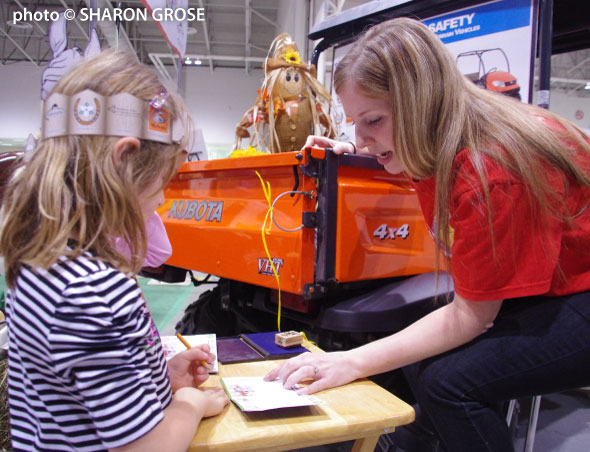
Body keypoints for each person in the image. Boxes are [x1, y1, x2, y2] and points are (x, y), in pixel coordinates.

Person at [265, 17, 590, 452]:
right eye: (356, 124)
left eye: (373, 120)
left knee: (448, 384)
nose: (361, 139)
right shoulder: (443, 140)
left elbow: (473, 316)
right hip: (564, 285)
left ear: (420, 101)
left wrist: (350, 361)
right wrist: (356, 146)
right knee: (420, 358)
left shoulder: (489, 171)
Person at [0, 51, 228, 452]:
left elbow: (78, 393)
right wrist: (188, 405)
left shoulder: (39, 265)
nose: (160, 200)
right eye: (162, 181)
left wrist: (162, 377)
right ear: (123, 161)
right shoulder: (95, 292)